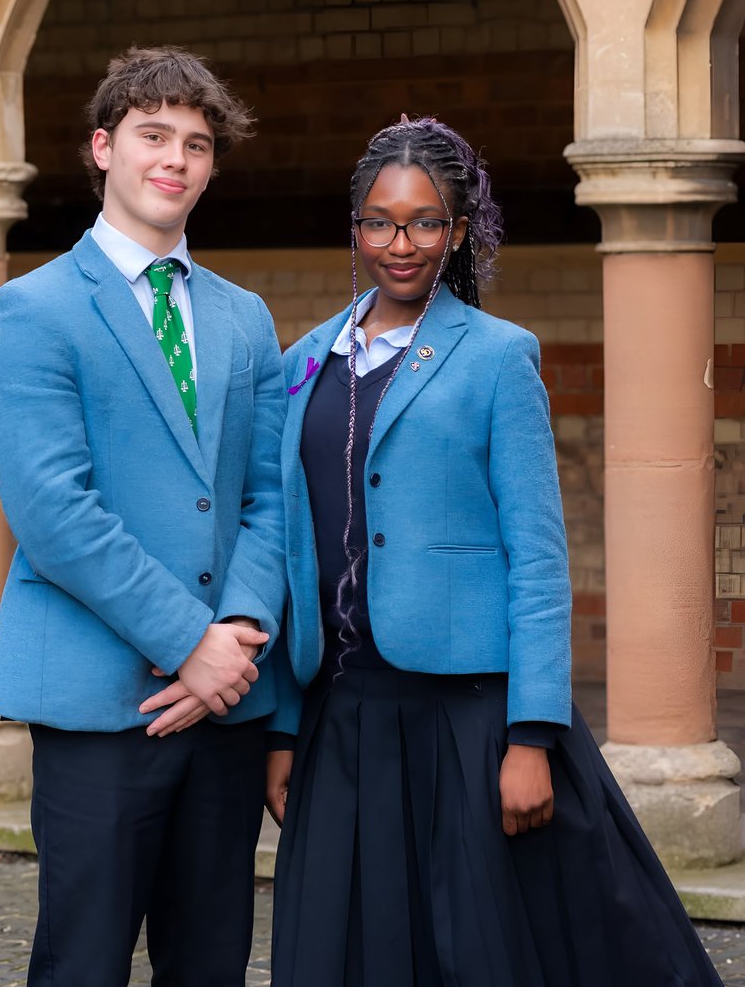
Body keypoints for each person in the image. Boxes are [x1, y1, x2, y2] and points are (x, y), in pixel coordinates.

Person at [266, 115, 723, 987]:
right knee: (341, 953)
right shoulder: (304, 362)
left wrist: (531, 739)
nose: (400, 244)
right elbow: (296, 558)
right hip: (341, 715)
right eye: (379, 221)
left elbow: (539, 561)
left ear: (459, 231)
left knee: (474, 952)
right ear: (355, 226)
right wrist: (284, 731)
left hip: (467, 721)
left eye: (425, 222)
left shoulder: (498, 358)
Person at [0, 46, 288, 987]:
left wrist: (233, 636)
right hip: (98, 700)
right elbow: (53, 512)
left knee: (211, 964)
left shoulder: (244, 318)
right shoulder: (31, 311)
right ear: (103, 147)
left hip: (227, 703)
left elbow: (267, 496)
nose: (176, 160)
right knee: (84, 961)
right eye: (154, 136)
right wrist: (186, 639)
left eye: (197, 144)